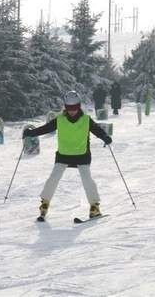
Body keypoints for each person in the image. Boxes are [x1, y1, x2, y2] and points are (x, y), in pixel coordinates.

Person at [23, 91, 112, 220]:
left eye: (74, 108)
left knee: (87, 180)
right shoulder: (60, 119)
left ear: (79, 106)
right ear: (65, 107)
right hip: (64, 155)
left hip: (82, 155)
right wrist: (32, 133)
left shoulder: (86, 119)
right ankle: (45, 203)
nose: (72, 111)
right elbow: (46, 128)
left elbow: (97, 130)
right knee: (53, 178)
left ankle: (95, 206)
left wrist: (105, 137)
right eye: (69, 108)